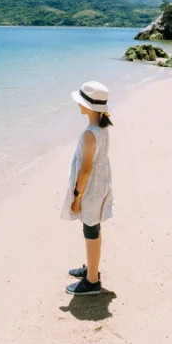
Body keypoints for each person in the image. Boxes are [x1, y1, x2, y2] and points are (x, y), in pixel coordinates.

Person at [61, 81, 114, 296]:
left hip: (91, 188)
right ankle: (91, 268)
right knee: (93, 227)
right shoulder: (102, 127)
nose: (78, 104)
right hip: (101, 184)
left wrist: (77, 195)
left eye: (81, 102)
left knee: (90, 229)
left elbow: (85, 169)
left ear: (89, 107)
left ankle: (92, 280)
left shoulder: (90, 134)